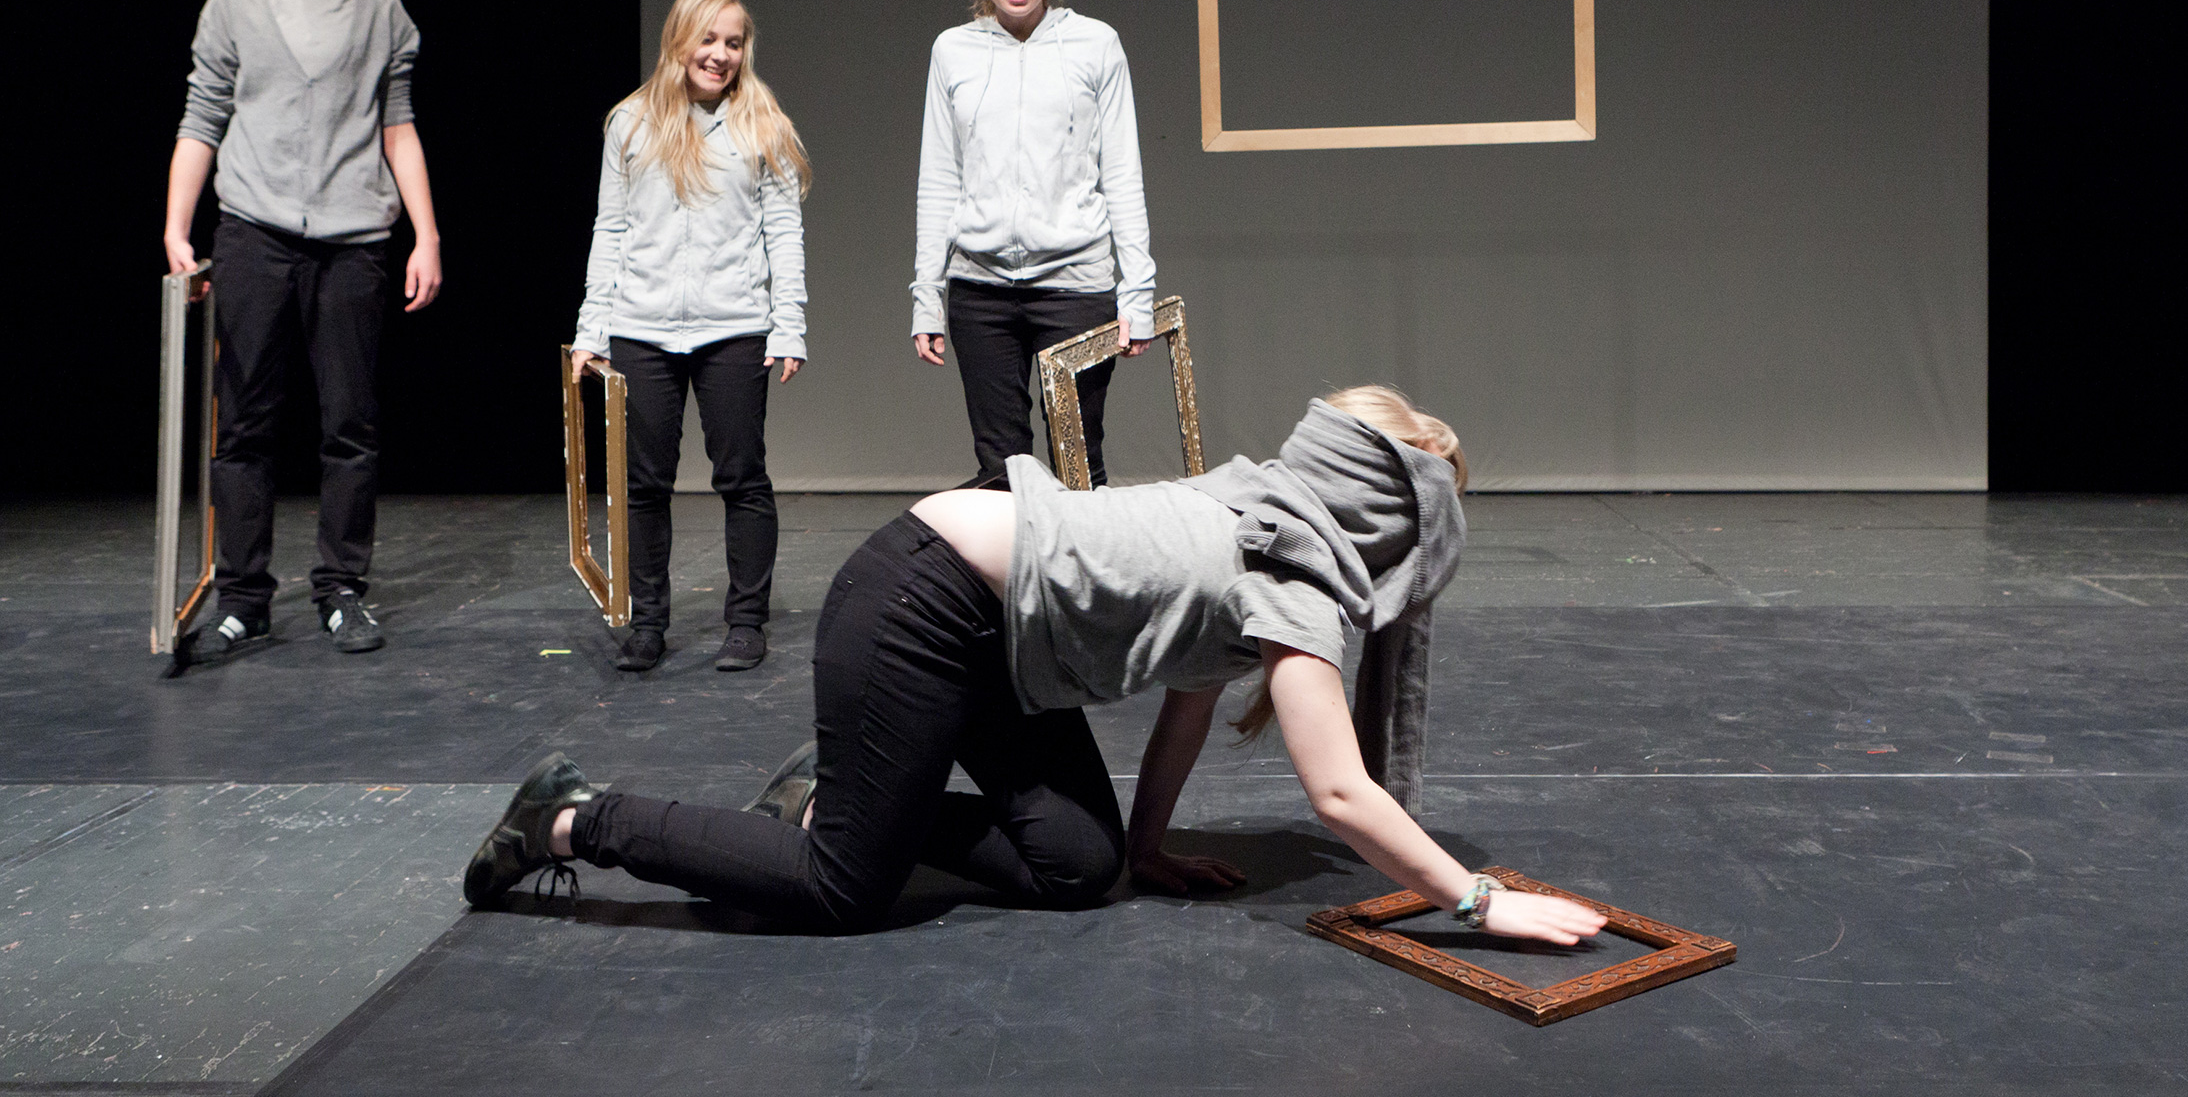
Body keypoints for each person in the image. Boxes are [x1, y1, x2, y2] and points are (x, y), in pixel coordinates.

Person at [462, 387, 1608, 952]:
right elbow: (1341, 791)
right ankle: (570, 817)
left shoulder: (1267, 511)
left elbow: (1190, 694)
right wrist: (1477, 899)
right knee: (842, 890)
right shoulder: (1295, 566)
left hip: (991, 643)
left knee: (1079, 866)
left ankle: (833, 792)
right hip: (918, 604)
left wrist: (1148, 843)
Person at [165, 0, 443, 667]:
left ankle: (341, 589)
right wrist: (178, 229)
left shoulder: (380, 9)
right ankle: (243, 599)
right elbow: (202, 118)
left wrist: (426, 235)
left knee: (349, 423)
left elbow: (398, 126)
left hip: (353, 242)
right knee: (244, 423)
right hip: (254, 233)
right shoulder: (237, 0)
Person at [572, 0, 810, 674]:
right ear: (678, 40)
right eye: (708, 39)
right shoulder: (631, 123)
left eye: (733, 42)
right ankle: (648, 624)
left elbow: (784, 232)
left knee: (741, 476)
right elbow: (611, 229)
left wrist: (788, 325)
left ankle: (746, 623)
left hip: (734, 326)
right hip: (641, 328)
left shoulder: (762, 124)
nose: (720, 54)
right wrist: (592, 328)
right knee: (645, 483)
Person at [911, 0, 1155, 489]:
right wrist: (927, 294)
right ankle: (1017, 559)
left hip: (1075, 285)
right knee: (1001, 474)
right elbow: (939, 178)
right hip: (980, 291)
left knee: (1079, 466)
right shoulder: (952, 50)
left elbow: (1122, 173)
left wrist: (1137, 292)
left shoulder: (1096, 43)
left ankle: (1084, 559)